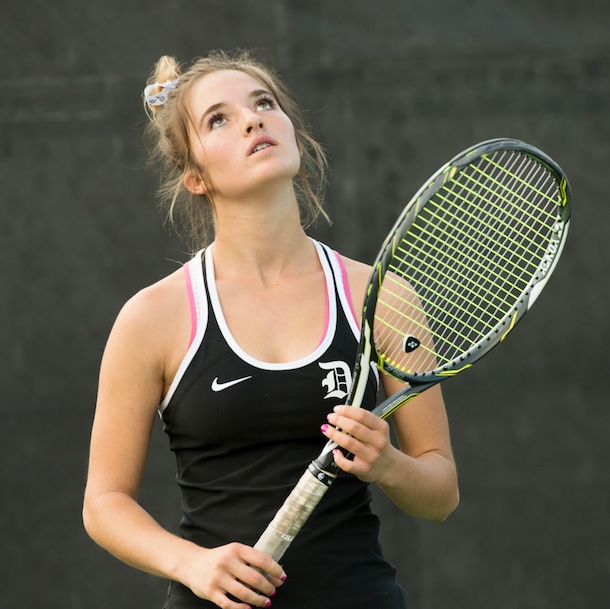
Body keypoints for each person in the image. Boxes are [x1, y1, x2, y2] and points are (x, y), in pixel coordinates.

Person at [82, 49, 459, 609]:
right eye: (219, 119)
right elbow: (104, 503)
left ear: (296, 138)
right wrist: (193, 563)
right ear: (194, 176)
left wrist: (389, 465)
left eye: (264, 103)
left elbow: (441, 491)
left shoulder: (383, 297)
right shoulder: (152, 317)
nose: (253, 120)